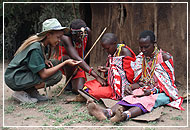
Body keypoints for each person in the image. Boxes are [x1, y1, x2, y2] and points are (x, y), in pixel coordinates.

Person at [87, 30, 184, 122]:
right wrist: (129, 86)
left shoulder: (164, 57)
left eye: (146, 47)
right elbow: (141, 82)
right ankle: (106, 112)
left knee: (147, 100)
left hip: (163, 93)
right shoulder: (141, 58)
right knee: (130, 97)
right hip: (146, 89)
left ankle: (124, 116)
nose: (143, 50)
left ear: (154, 43)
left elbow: (168, 85)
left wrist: (152, 91)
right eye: (141, 47)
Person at [4, 18, 81, 103]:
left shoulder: (40, 45)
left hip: (20, 74)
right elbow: (44, 75)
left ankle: (31, 91)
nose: (59, 41)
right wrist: (65, 63)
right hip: (15, 78)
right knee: (56, 76)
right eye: (58, 37)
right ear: (48, 35)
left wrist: (44, 60)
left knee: (54, 63)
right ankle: (23, 92)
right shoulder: (36, 47)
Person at [56, 19, 106, 94]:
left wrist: (85, 67)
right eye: (76, 36)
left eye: (81, 35)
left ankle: (73, 81)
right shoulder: (65, 38)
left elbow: (87, 51)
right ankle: (68, 79)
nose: (79, 38)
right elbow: (75, 58)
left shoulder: (88, 32)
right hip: (65, 62)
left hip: (79, 63)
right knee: (69, 60)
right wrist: (97, 76)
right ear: (71, 33)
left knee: (79, 90)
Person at [82, 33, 136, 100]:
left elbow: (129, 74)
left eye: (107, 48)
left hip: (120, 87)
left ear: (114, 43)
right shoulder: (113, 52)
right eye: (105, 49)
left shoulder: (124, 51)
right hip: (111, 83)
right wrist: (107, 69)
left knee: (92, 92)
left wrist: (110, 70)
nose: (106, 51)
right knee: (88, 86)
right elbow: (116, 68)